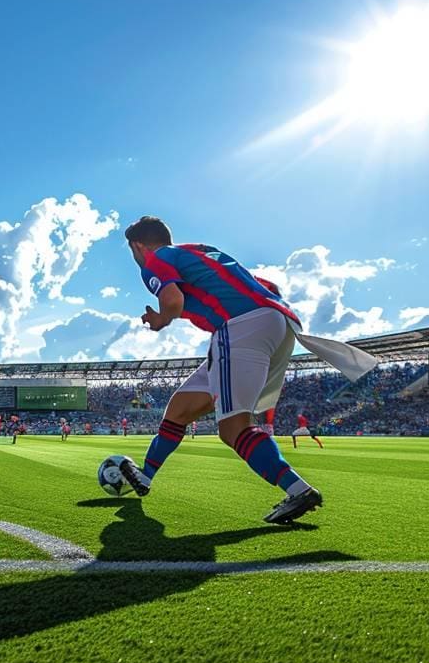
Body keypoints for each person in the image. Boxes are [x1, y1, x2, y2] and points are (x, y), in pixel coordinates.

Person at [115, 215, 323, 525]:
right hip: (276, 320)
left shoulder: (156, 260)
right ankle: (145, 476)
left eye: (133, 252)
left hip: (240, 326)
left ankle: (299, 490)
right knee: (180, 408)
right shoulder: (198, 250)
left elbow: (172, 300)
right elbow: (267, 285)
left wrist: (161, 319)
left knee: (232, 428)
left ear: (138, 246)